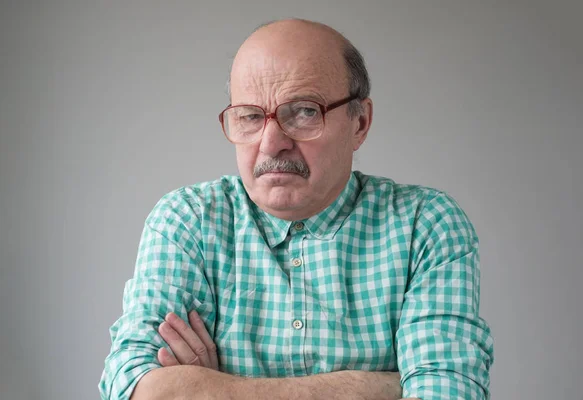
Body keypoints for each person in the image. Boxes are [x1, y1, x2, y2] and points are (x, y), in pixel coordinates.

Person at [99, 18, 494, 400]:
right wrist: (370, 389)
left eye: (304, 111)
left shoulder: (426, 226)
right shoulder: (187, 222)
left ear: (360, 123)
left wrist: (210, 389)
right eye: (251, 116)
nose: (272, 144)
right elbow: (136, 391)